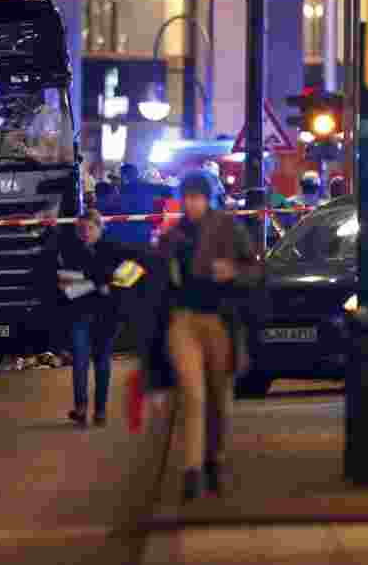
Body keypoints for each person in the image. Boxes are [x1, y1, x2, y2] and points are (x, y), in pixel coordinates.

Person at [157, 172, 262, 502]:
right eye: (188, 197)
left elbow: (255, 270)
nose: (192, 203)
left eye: (198, 197)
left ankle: (214, 458)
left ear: (208, 198)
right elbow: (161, 282)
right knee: (193, 395)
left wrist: (233, 271)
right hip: (183, 321)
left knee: (218, 398)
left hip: (220, 321)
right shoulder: (173, 236)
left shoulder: (229, 228)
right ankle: (192, 471)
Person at [38, 209, 128, 427]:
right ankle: (81, 409)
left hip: (106, 316)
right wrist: (101, 281)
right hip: (80, 314)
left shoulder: (113, 247)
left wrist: (89, 280)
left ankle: (100, 411)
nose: (85, 232)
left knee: (102, 363)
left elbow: (126, 275)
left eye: (90, 228)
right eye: (81, 229)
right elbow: (64, 280)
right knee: (79, 363)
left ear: (100, 228)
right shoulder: (71, 249)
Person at [104, 163, 172, 246]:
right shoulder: (149, 187)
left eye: (118, 178)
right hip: (144, 234)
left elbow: (114, 211)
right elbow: (170, 191)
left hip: (124, 236)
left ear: (124, 177)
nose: (115, 182)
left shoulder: (121, 193)